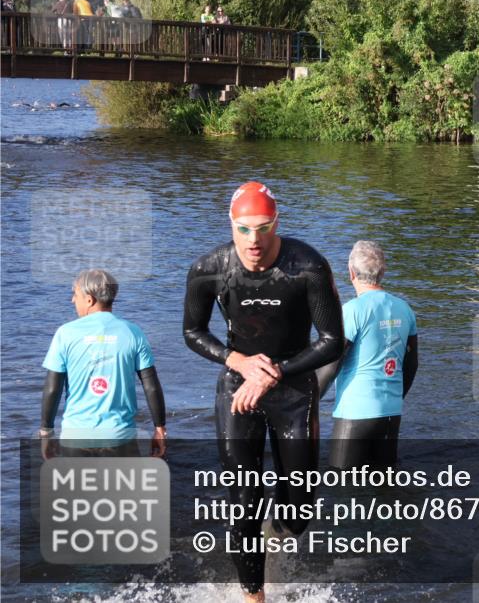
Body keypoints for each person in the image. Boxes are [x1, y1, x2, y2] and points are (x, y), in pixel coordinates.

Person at [183, 181, 344, 602]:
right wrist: (237, 362)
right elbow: (192, 331)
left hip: (293, 384)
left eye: (263, 228)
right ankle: (254, 595)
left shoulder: (307, 266)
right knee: (243, 500)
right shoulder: (210, 270)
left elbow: (331, 340)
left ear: (277, 223)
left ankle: (277, 533)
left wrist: (276, 372)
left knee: (301, 506)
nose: (253, 240)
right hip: (239, 386)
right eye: (243, 229)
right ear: (231, 226)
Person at [40, 269, 167, 458]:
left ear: (89, 300)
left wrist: (46, 432)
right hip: (120, 437)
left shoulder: (65, 334)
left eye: (75, 294)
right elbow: (151, 386)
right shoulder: (133, 332)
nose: (72, 300)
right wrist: (159, 429)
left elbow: (53, 388)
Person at [318, 241, 418, 471]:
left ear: (351, 272)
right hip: (391, 412)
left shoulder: (352, 310)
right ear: (383, 271)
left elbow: (332, 363)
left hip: (356, 412)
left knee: (341, 483)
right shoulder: (404, 308)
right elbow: (412, 364)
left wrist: (308, 400)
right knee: (383, 483)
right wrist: (396, 396)